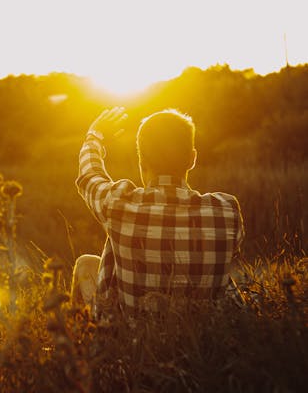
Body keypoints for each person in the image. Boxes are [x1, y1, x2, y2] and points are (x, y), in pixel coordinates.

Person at [71, 107, 244, 317]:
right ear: (192, 159)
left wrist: (94, 136)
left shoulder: (120, 204)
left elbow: (89, 176)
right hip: (203, 340)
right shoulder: (226, 211)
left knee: (86, 264)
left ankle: (80, 342)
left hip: (131, 340)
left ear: (141, 162)